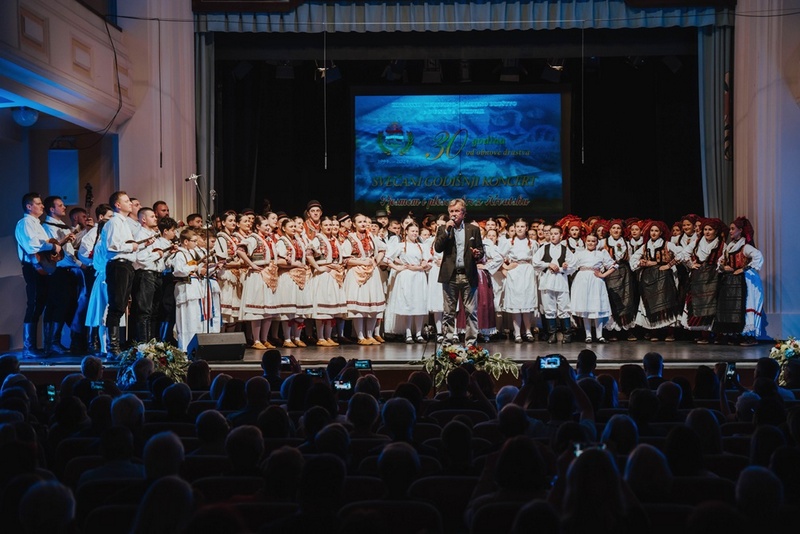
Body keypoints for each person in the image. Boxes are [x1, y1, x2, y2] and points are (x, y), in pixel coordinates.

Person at [103, 191, 149, 359]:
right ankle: (112, 347)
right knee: (116, 306)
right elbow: (113, 245)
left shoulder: (124, 223)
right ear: (117, 205)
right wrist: (132, 247)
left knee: (121, 306)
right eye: (126, 201)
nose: (130, 203)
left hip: (126, 265)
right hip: (118, 266)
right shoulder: (114, 222)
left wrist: (140, 246)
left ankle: (115, 346)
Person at [15, 193, 61, 358]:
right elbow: (32, 245)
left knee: (40, 304)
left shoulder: (36, 224)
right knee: (34, 305)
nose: (42, 206)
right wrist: (52, 247)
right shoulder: (26, 223)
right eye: (38, 203)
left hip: (40, 267)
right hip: (32, 267)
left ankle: (36, 347)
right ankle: (29, 348)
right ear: (29, 206)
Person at [434, 198, 484, 346]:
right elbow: (438, 248)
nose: (454, 214)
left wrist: (477, 254)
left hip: (468, 274)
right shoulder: (443, 229)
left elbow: (481, 250)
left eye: (457, 211)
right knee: (448, 312)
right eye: (451, 211)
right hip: (450, 275)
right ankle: (447, 343)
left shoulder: (473, 229)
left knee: (471, 311)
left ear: (463, 213)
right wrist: (447, 230)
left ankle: (471, 344)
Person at [714, 216, 764, 345]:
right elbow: (721, 260)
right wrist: (723, 267)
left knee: (746, 304)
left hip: (746, 281)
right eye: (730, 229)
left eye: (733, 229)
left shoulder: (745, 247)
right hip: (732, 281)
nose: (730, 231)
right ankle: (736, 334)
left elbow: (758, 256)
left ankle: (749, 336)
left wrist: (744, 269)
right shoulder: (730, 247)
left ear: (740, 230)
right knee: (734, 307)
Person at [630, 220, 683, 342]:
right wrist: (642, 263)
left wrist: (669, 265)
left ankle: (670, 332)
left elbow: (681, 254)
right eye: (652, 231)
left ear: (661, 233)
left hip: (664, 277)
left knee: (667, 302)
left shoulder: (667, 244)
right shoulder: (645, 246)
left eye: (656, 231)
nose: (653, 233)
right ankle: (654, 331)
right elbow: (633, 260)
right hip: (649, 278)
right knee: (650, 303)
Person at [341, 213, 387, 345]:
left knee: (373, 306)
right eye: (360, 222)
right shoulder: (350, 238)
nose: (363, 224)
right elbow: (345, 259)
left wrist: (375, 261)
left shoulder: (372, 237)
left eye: (364, 222)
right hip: (357, 273)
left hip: (371, 272)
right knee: (359, 306)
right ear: (354, 224)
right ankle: (361, 336)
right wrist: (362, 262)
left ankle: (370, 335)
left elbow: (383, 249)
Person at [385, 221, 430, 343]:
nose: (415, 233)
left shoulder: (422, 246)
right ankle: (408, 333)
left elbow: (428, 261)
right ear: (406, 232)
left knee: (419, 304)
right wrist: (397, 267)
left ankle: (419, 333)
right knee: (408, 304)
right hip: (406, 276)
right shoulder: (401, 246)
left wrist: (422, 265)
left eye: (416, 231)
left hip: (419, 276)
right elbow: (387, 258)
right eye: (412, 231)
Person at [307, 215, 347, 346]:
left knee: (332, 307)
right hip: (323, 275)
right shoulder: (318, 239)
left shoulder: (334, 239)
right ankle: (320, 337)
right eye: (326, 225)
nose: (329, 227)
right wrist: (318, 267)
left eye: (330, 225)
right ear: (321, 227)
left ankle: (328, 336)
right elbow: (309, 254)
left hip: (334, 274)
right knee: (322, 306)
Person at [569, 234, 616, 343]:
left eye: (593, 241)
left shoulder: (601, 253)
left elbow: (613, 266)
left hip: (596, 281)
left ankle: (599, 335)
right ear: (586, 241)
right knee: (585, 307)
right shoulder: (579, 253)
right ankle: (588, 335)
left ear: (596, 243)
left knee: (597, 307)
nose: (590, 243)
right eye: (589, 241)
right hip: (582, 281)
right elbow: (572, 265)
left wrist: (603, 275)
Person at [533, 225, 575, 343]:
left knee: (564, 307)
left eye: (556, 234)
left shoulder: (565, 250)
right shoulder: (544, 248)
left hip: (561, 282)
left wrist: (562, 268)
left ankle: (567, 334)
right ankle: (552, 334)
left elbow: (573, 265)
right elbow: (535, 262)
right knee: (549, 308)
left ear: (561, 236)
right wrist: (548, 264)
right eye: (551, 234)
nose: (553, 236)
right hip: (547, 282)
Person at [499, 218, 539, 343]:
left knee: (527, 302)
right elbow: (498, 257)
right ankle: (517, 333)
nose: (520, 229)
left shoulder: (533, 243)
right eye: (518, 226)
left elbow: (536, 259)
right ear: (514, 228)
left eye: (522, 226)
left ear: (526, 228)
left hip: (527, 272)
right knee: (516, 303)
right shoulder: (508, 242)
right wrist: (505, 268)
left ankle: (528, 331)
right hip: (515, 272)